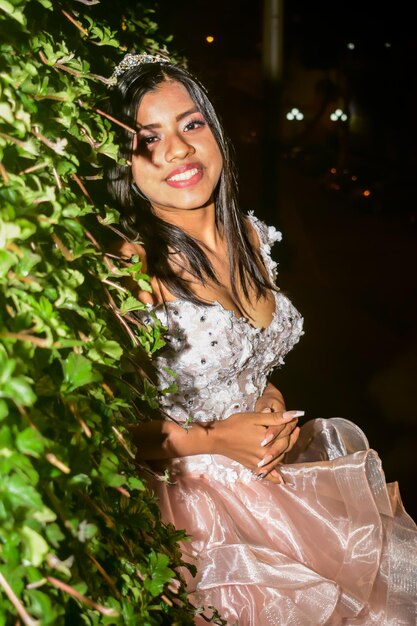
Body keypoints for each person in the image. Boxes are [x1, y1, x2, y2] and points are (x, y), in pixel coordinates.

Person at [105, 52, 417, 626]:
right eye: (147, 138)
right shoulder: (131, 268)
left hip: (281, 482)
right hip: (198, 517)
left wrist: (269, 398)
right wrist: (213, 440)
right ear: (122, 162)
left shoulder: (249, 233)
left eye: (190, 124)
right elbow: (104, 430)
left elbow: (243, 359)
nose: (176, 149)